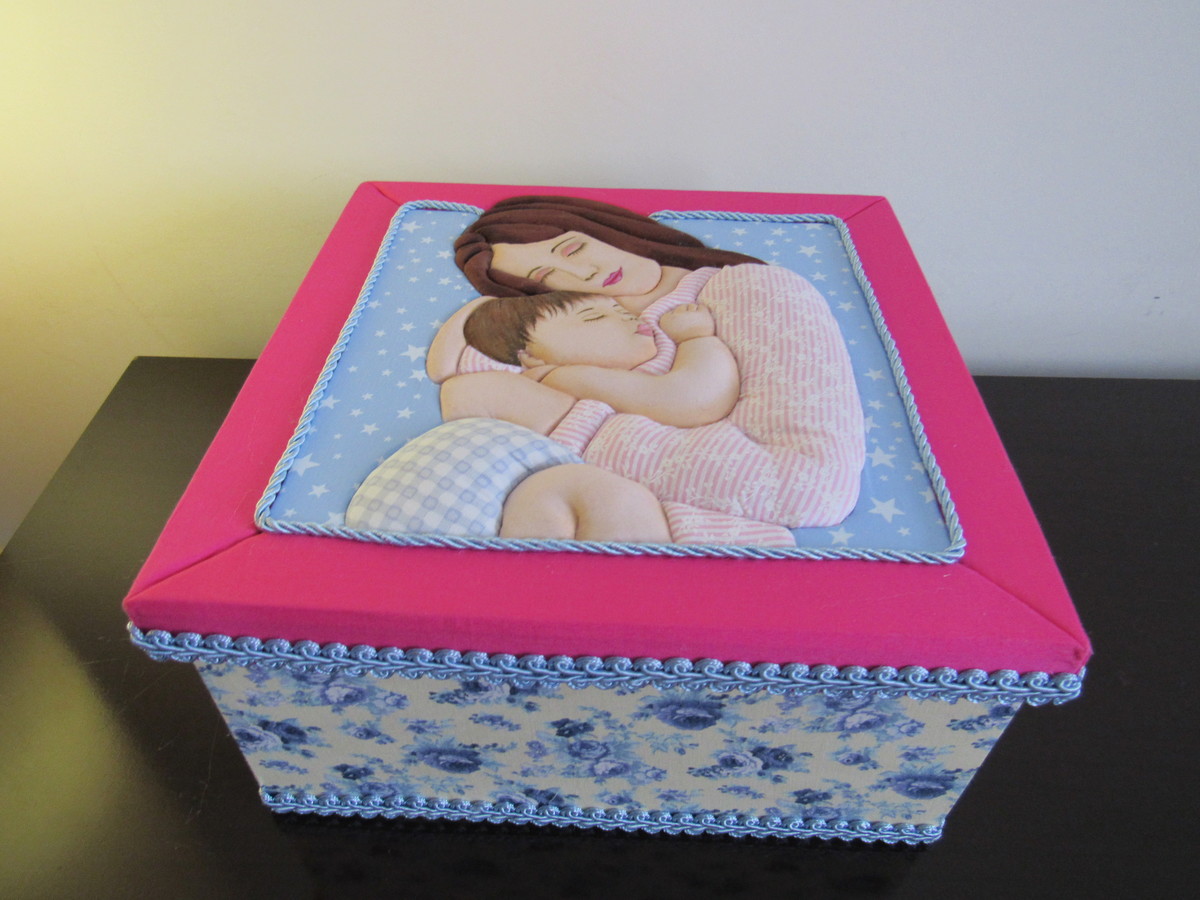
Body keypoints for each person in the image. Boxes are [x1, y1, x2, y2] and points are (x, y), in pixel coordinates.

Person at [461, 290, 740, 429]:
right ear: (532, 357)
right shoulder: (561, 378)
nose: (628, 318)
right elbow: (689, 402)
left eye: (622, 310)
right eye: (594, 317)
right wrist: (695, 337)